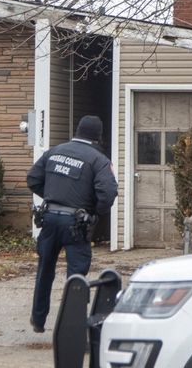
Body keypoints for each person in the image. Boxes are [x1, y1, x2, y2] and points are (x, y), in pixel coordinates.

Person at [27, 115, 118, 333]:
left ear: (77, 130)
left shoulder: (53, 152)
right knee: (76, 277)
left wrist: (51, 197)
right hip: (76, 224)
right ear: (98, 136)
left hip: (48, 219)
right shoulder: (98, 159)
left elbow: (33, 179)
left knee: (45, 269)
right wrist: (94, 211)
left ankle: (38, 320)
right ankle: (72, 328)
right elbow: (107, 193)